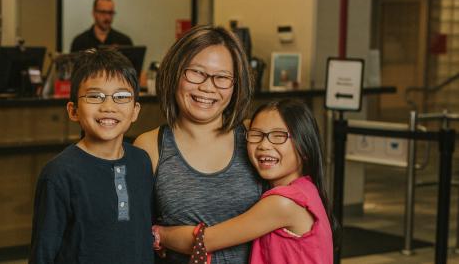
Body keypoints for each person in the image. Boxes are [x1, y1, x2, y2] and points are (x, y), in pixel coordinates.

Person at [133, 25, 262, 263]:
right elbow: (138, 237)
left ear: (236, 85)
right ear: (175, 73)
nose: (207, 87)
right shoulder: (150, 146)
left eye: (222, 77)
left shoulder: (255, 135)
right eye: (196, 73)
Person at [154, 99, 337, 264]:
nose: (264, 145)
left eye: (279, 136)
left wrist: (159, 233)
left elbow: (205, 241)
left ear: (304, 147)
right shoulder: (307, 189)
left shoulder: (283, 203)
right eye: (256, 134)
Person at [29, 47, 153, 264]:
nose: (108, 106)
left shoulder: (141, 162)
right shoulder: (59, 174)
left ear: (135, 110)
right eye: (95, 96)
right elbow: (43, 254)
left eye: (121, 96)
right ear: (73, 110)